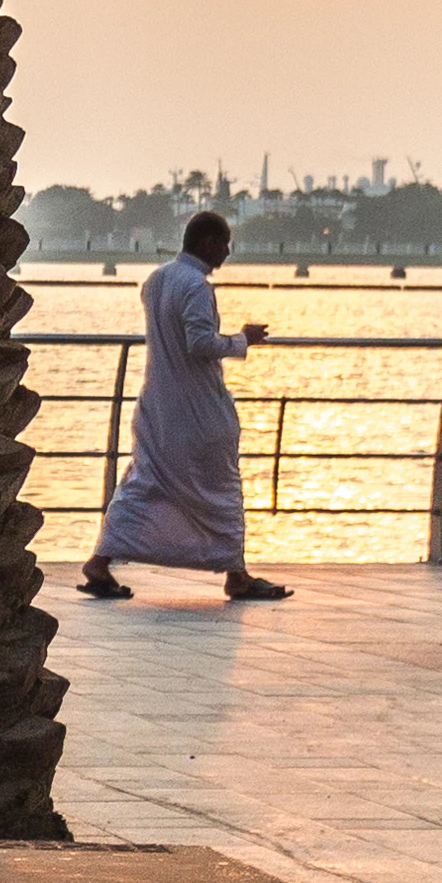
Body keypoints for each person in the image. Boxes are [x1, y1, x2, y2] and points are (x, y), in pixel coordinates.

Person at [81, 209, 289, 604]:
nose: (227, 252)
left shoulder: (157, 280)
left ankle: (99, 560)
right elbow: (199, 343)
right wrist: (242, 339)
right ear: (208, 243)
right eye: (224, 244)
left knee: (144, 483)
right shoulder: (196, 286)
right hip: (196, 410)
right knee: (221, 488)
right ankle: (237, 576)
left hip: (158, 406)